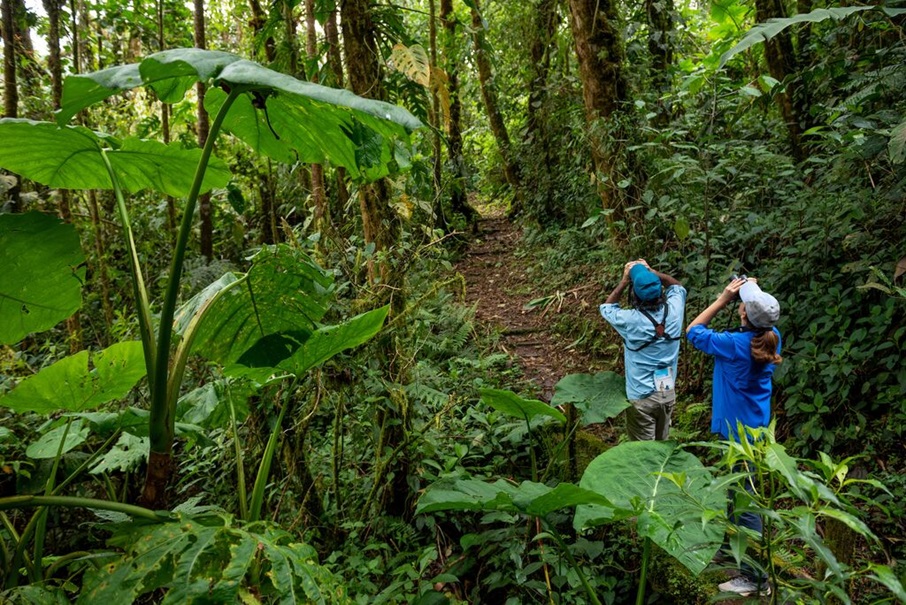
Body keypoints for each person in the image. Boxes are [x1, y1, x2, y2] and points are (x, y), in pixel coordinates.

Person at [685, 276, 782, 598]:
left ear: (743, 313)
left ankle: (754, 577)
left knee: (747, 505)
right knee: (735, 495)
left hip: (740, 435)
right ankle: (733, 550)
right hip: (752, 428)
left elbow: (693, 331)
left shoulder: (734, 344)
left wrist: (723, 298)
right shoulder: (771, 336)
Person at [599, 260, 686, 441]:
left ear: (635, 295)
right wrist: (653, 273)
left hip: (641, 396)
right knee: (662, 449)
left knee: (643, 453)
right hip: (667, 392)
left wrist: (624, 280)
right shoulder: (675, 311)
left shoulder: (629, 320)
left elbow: (606, 308)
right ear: (660, 291)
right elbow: (677, 287)